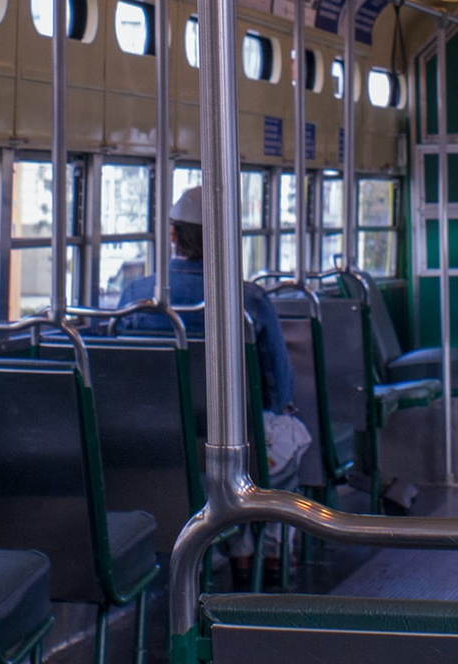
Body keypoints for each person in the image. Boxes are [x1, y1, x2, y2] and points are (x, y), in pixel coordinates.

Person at [116, 185, 311, 586]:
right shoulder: (248, 300)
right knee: (285, 448)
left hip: (149, 447)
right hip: (233, 446)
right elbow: (279, 389)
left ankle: (240, 547)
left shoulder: (137, 298)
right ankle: (264, 550)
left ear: (172, 236)